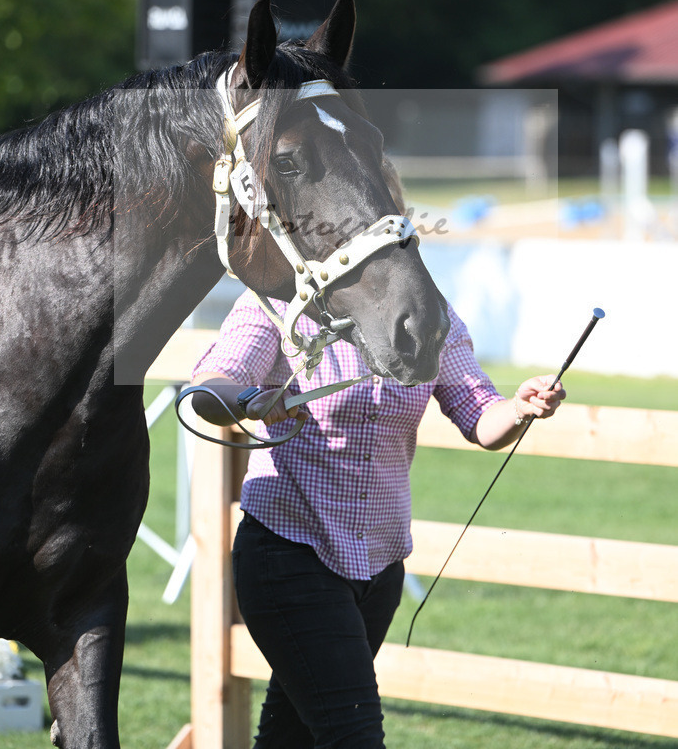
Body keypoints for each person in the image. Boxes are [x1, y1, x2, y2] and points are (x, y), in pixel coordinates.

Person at [190, 287, 565, 749]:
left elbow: (480, 417)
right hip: (289, 555)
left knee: (292, 737)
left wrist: (519, 408)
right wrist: (251, 400)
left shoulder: (430, 316)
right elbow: (208, 390)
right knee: (354, 736)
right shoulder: (278, 303)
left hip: (381, 569)